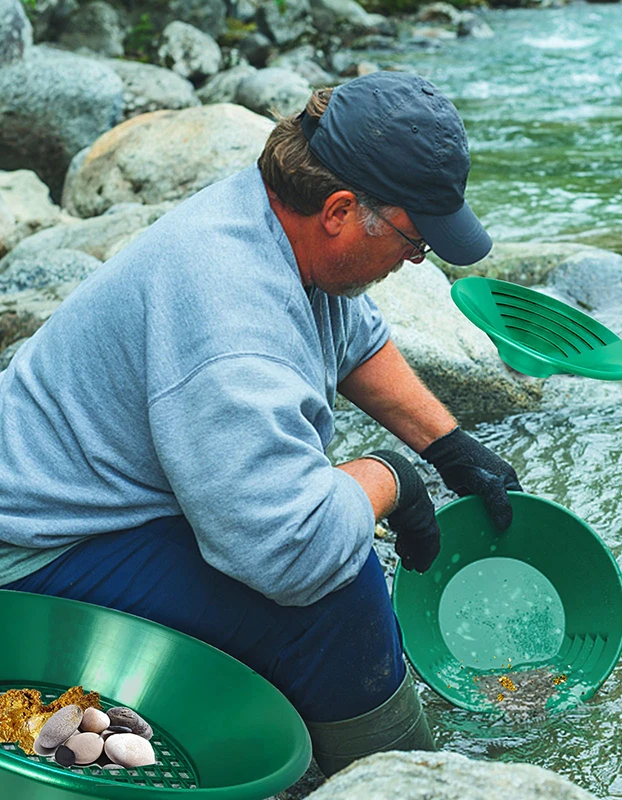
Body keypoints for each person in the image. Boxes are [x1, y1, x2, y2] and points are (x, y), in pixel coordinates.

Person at [0, 72, 522, 774]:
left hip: (89, 499)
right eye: (413, 238)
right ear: (339, 209)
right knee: (345, 591)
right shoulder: (230, 318)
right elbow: (291, 554)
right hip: (34, 560)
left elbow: (354, 334)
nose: (414, 257)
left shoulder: (275, 216)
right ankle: (401, 776)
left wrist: (446, 443)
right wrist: (389, 477)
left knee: (334, 535)